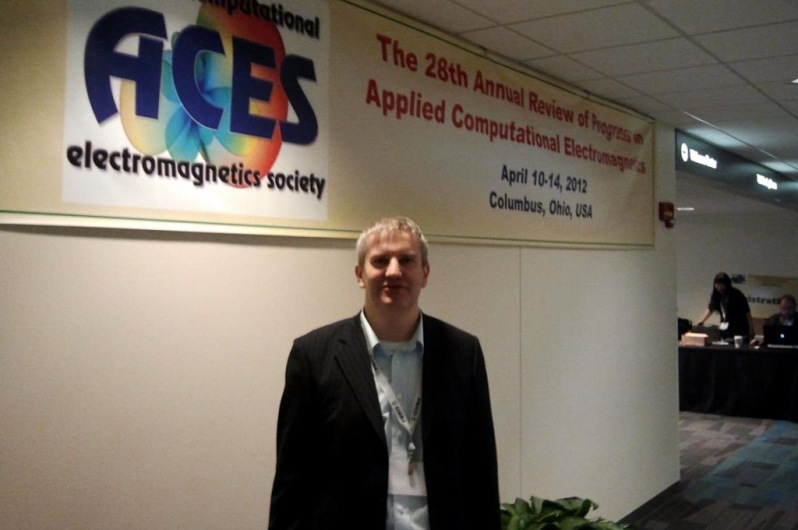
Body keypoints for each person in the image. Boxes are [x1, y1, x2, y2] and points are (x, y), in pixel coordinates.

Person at [268, 216, 501, 530]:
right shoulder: (312, 356)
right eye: (380, 261)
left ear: (425, 273)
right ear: (360, 274)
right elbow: (291, 479)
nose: (393, 271)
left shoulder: (463, 353)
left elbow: (481, 473)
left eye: (406, 260)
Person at [694, 272, 754, 340]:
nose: (720, 287)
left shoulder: (736, 294)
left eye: (722, 284)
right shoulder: (716, 295)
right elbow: (710, 309)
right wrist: (700, 322)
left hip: (739, 329)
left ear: (727, 284)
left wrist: (751, 328)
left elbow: (747, 312)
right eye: (717, 284)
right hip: (726, 329)